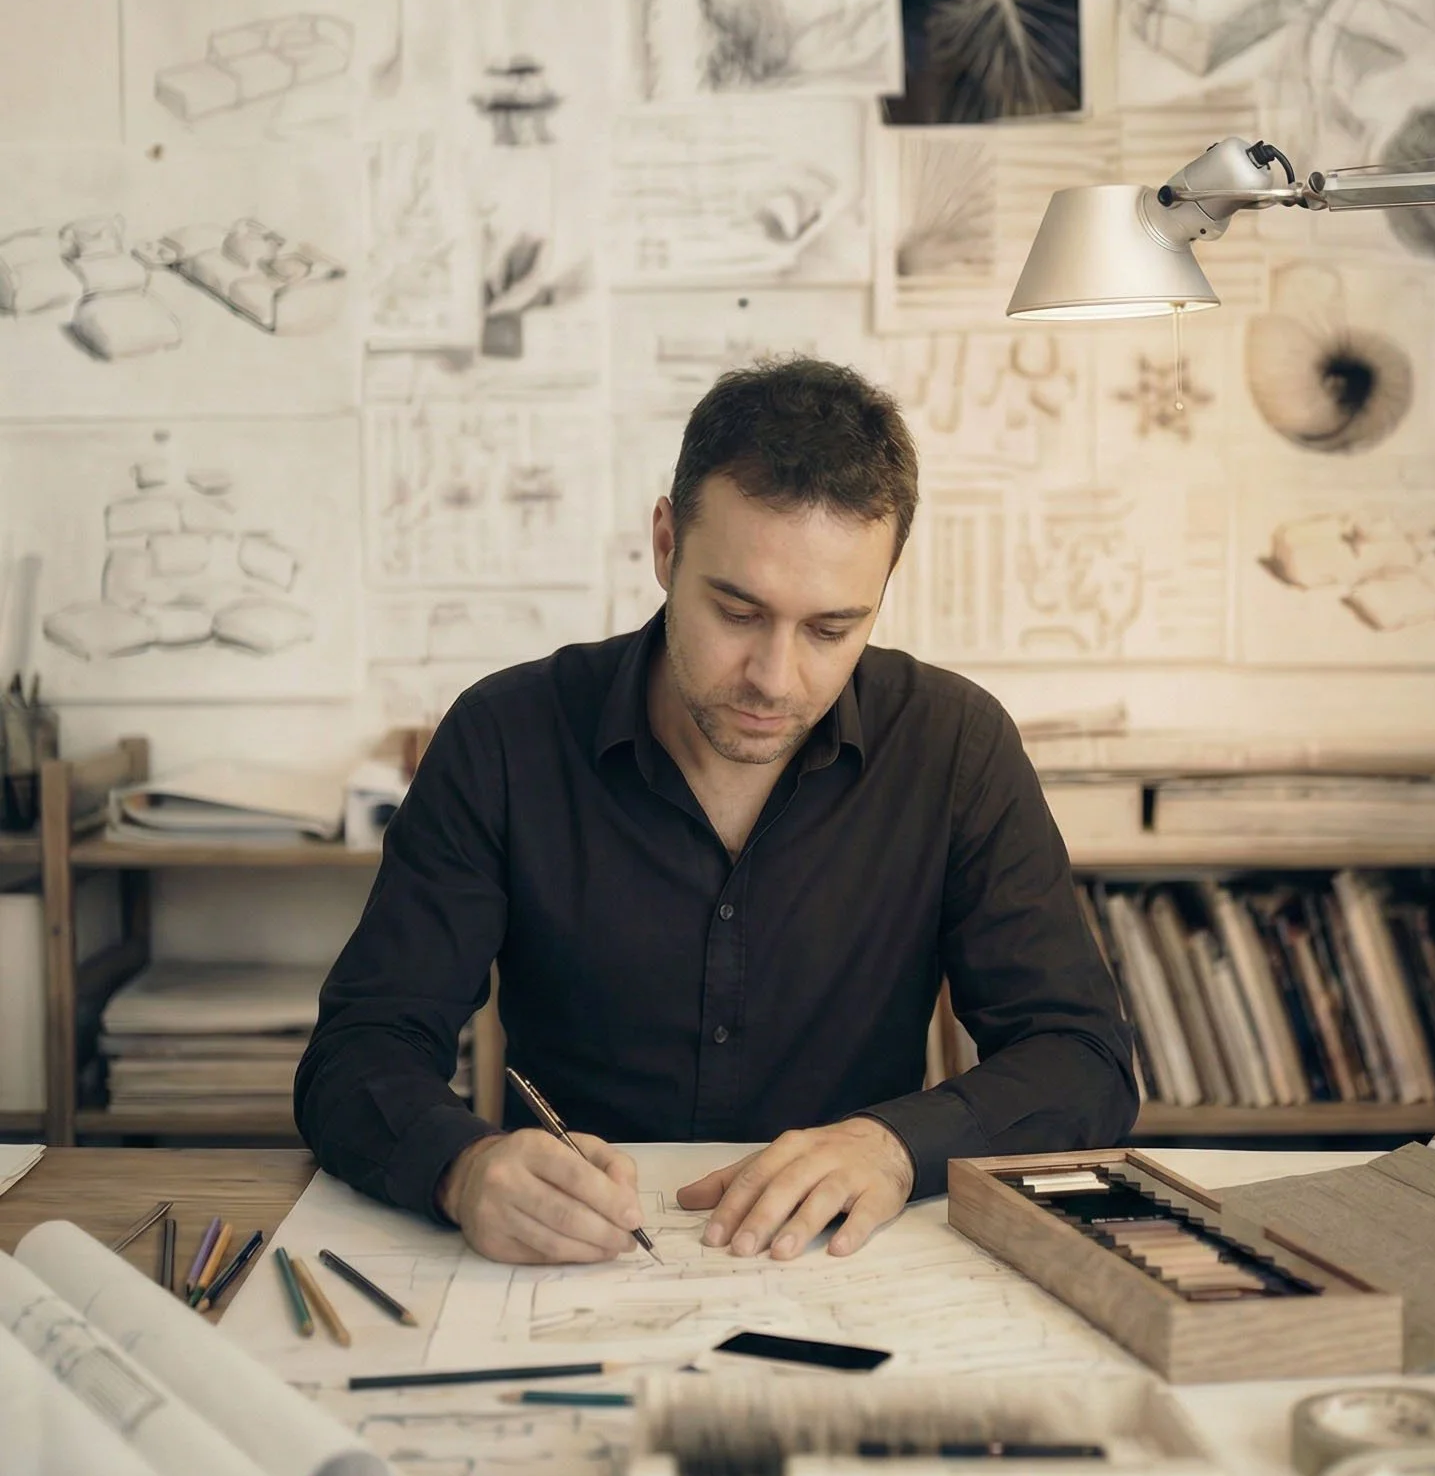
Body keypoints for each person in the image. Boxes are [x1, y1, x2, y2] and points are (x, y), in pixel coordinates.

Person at [296, 358, 1135, 1266]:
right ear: (666, 545)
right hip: (572, 1262)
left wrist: (895, 1147)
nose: (775, 679)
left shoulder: (955, 745)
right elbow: (360, 1049)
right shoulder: (505, 737)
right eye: (737, 612)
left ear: (884, 587)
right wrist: (462, 1169)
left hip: (845, 1265)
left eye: (831, 630)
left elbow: (1081, 1057)